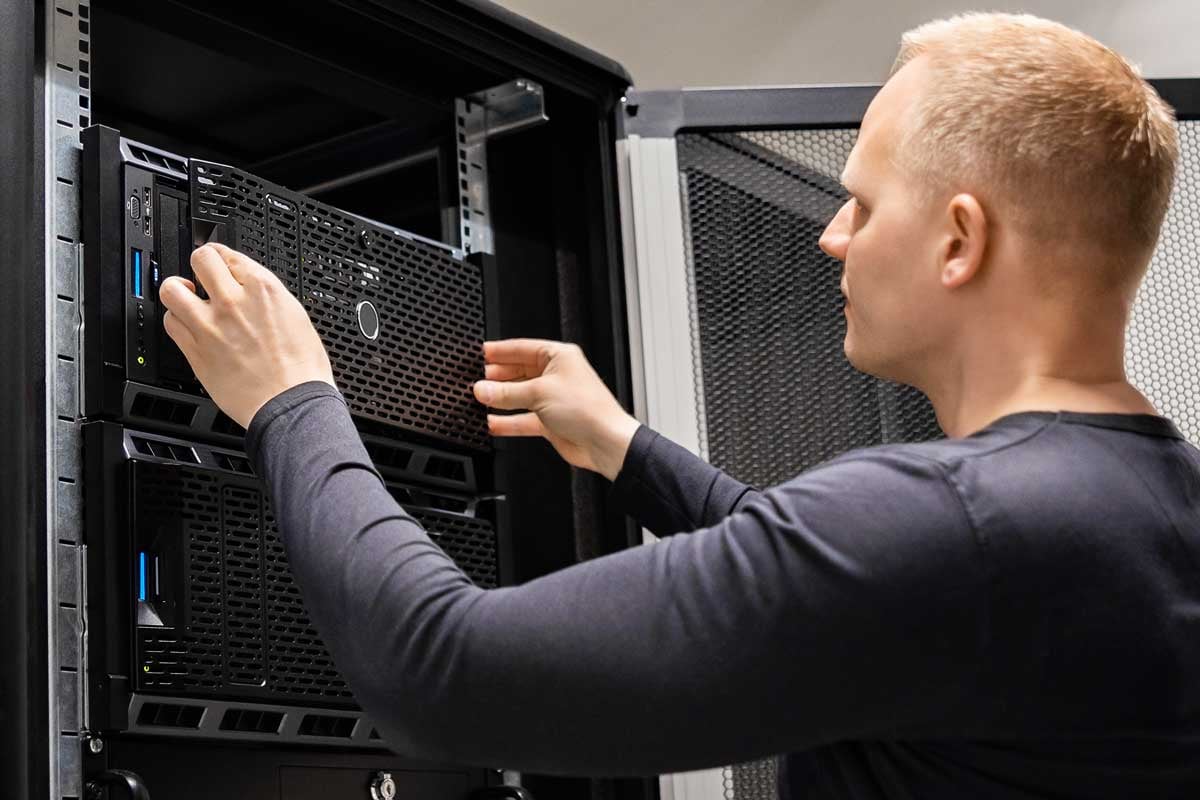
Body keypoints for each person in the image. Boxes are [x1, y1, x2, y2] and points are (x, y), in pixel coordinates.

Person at [157, 12, 1200, 800]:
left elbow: (436, 667)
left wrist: (292, 396)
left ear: (960, 240)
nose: (833, 236)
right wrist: (624, 448)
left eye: (865, 204)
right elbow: (846, 590)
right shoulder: (1142, 503)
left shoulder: (960, 526)